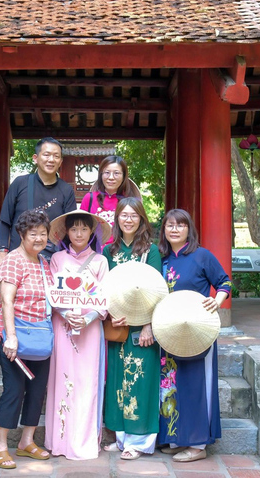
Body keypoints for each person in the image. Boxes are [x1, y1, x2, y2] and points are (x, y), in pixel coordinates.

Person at [157, 209, 232, 462]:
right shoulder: (161, 258)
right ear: (164, 230)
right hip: (169, 332)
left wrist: (217, 301)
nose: (175, 229)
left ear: (189, 229)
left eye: (180, 225)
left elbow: (224, 282)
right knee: (172, 384)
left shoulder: (202, 256)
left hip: (198, 331)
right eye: (170, 225)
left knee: (196, 385)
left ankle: (198, 444)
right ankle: (178, 438)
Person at [44, 210, 110, 460]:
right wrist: (63, 313)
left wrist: (88, 317)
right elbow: (51, 294)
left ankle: (83, 441)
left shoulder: (100, 261)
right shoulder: (57, 259)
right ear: (66, 233)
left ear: (91, 232)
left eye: (84, 229)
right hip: (63, 329)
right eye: (74, 229)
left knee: (87, 383)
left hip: (90, 331)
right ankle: (59, 442)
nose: (79, 233)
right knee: (61, 382)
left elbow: (105, 299)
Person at [0, 209, 54, 470]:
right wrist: (11, 338)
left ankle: (27, 441)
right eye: (33, 234)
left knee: (37, 390)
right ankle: (0, 446)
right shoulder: (13, 261)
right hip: (13, 334)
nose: (39, 239)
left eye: (43, 234)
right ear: (21, 234)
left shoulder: (43, 262)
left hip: (39, 335)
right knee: (14, 389)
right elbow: (7, 300)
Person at [101, 197, 162, 460]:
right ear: (117, 218)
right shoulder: (108, 251)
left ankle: (139, 442)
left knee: (141, 382)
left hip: (142, 329)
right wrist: (109, 317)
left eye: (133, 215)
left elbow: (158, 291)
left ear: (141, 219)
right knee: (118, 382)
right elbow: (103, 289)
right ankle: (121, 437)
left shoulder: (151, 251)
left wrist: (149, 325)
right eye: (123, 215)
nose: (128, 219)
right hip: (119, 326)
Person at [0, 137, 76, 263]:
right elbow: (5, 220)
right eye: (46, 155)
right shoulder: (20, 183)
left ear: (60, 161)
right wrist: (3, 251)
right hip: (19, 257)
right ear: (35, 158)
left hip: (53, 260)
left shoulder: (66, 190)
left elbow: (69, 226)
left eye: (56, 156)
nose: (51, 160)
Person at [79, 156, 141, 249]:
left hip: (121, 252)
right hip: (94, 253)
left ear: (124, 175)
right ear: (101, 174)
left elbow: (139, 229)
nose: (111, 177)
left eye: (116, 173)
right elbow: (80, 226)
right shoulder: (90, 198)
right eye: (107, 173)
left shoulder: (131, 200)